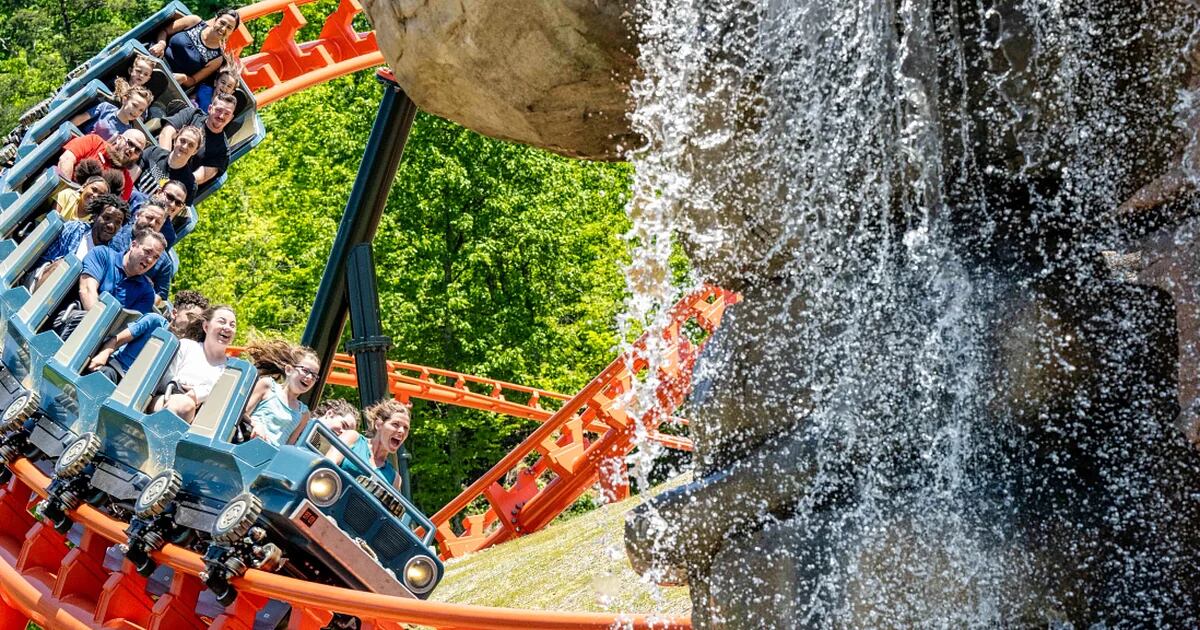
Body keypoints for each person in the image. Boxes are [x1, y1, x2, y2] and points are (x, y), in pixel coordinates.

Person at [86, 289, 209, 384]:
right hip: (119, 370)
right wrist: (103, 354)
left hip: (139, 389)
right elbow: (116, 340)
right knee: (104, 376)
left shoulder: (186, 346)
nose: (193, 322)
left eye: (197, 320)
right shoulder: (154, 321)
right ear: (174, 313)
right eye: (190, 316)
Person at [148, 8, 240, 111]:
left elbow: (194, 80)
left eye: (229, 28)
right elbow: (164, 31)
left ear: (232, 32)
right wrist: (161, 43)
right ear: (216, 19)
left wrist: (183, 78)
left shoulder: (217, 58)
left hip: (172, 78)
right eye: (222, 23)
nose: (223, 29)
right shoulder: (194, 22)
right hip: (156, 59)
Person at [158, 305, 236, 422]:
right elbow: (164, 380)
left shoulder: (231, 370)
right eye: (222, 322)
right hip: (167, 399)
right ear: (206, 326)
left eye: (232, 325)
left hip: (204, 420)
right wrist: (183, 392)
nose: (227, 328)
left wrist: (197, 394)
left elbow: (226, 400)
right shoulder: (186, 346)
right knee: (184, 405)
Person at [241, 339, 319, 446]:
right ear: (289, 370)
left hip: (270, 458)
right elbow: (241, 413)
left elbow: (289, 446)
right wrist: (255, 425)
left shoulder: (304, 413)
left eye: (314, 376)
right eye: (305, 371)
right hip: (248, 443)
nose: (309, 377)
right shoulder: (268, 386)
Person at [329, 399, 410, 491]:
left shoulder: (395, 479)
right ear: (378, 424)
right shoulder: (352, 438)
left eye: (406, 428)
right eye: (395, 424)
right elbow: (327, 464)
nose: (401, 431)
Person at [78, 229, 165, 313]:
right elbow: (86, 290)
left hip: (109, 327)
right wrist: (97, 324)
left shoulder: (146, 293)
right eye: (147, 251)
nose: (150, 260)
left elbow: (129, 324)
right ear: (133, 245)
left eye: (155, 257)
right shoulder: (102, 255)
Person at [157, 93, 235, 186]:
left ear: (231, 118)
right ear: (210, 109)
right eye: (218, 110)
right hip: (157, 162)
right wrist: (164, 163)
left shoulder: (222, 151)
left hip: (173, 184)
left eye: (227, 114)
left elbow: (201, 176)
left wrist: (169, 182)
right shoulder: (192, 114)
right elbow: (167, 133)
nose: (221, 116)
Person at [37, 193, 128, 269]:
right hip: (44, 277)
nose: (111, 225)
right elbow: (44, 261)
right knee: (62, 265)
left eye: (117, 223)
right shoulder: (73, 229)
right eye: (107, 218)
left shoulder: (112, 255)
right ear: (95, 216)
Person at [108, 202, 176, 301]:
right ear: (138, 215)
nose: (152, 223)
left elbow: (160, 295)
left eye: (157, 222)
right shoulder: (116, 231)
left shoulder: (164, 262)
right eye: (149, 217)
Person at [58, 129, 145, 202]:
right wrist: (67, 196)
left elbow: (114, 207)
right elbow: (66, 160)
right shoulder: (94, 142)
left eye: (137, 150)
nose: (132, 150)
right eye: (130, 144)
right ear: (119, 139)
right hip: (63, 195)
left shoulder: (126, 184)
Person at [135, 124, 201, 201]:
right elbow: (131, 175)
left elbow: (176, 210)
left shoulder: (190, 184)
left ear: (195, 151)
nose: (185, 146)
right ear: (175, 140)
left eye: (191, 145)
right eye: (182, 141)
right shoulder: (154, 152)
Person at [69, 86, 152, 141]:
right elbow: (80, 119)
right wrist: (69, 129)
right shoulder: (106, 108)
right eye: (134, 105)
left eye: (141, 110)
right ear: (125, 99)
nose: (136, 112)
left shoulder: (127, 132)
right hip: (78, 140)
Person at [54, 158, 123, 220]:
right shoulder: (67, 195)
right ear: (83, 187)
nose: (96, 195)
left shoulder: (93, 220)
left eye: (101, 195)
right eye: (94, 189)